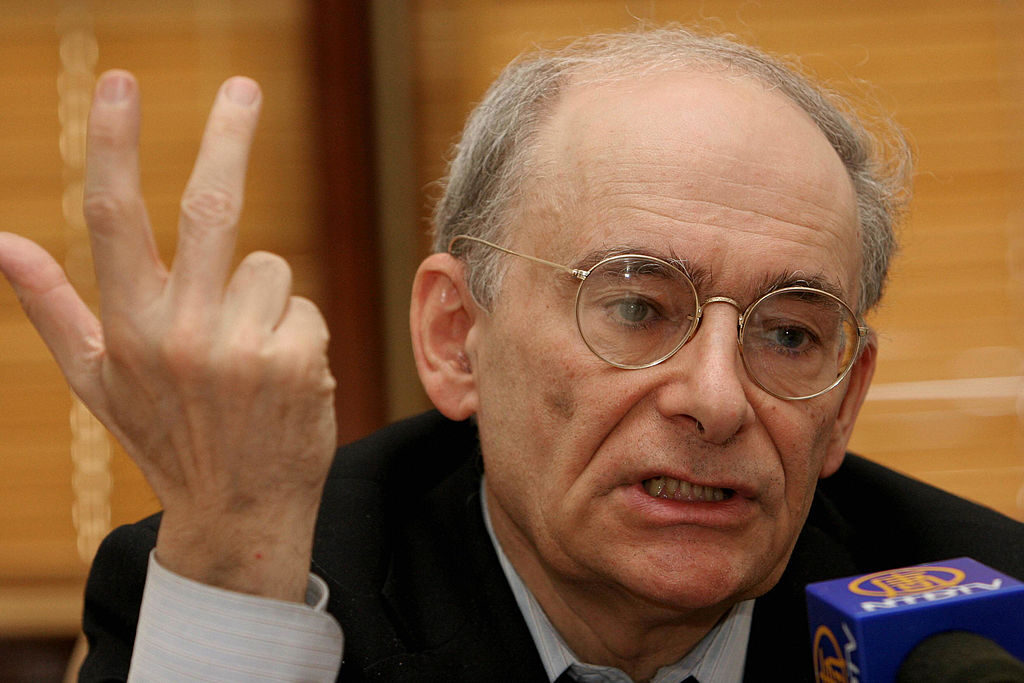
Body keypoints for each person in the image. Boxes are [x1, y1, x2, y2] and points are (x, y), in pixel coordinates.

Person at [1, 26, 1022, 683]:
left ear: (845, 402)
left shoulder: (982, 623)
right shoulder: (272, 582)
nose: (717, 398)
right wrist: (232, 570)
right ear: (456, 336)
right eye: (636, 307)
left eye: (790, 333)